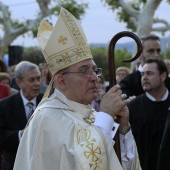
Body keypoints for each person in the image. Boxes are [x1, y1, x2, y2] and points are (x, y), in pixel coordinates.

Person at [13, 8, 141, 170]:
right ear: (62, 81)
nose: (94, 77)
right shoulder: (46, 117)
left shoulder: (92, 114)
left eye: (94, 70)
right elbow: (80, 162)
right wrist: (106, 115)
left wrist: (123, 129)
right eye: (84, 71)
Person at [127, 58, 170, 170]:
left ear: (163, 76)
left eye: (149, 74)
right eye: (142, 74)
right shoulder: (133, 107)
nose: (144, 78)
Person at [0, 61, 43, 170]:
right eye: (31, 80)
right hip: (14, 164)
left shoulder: (48, 102)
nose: (37, 83)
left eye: (38, 78)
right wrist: (21, 134)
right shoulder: (4, 105)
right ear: (19, 82)